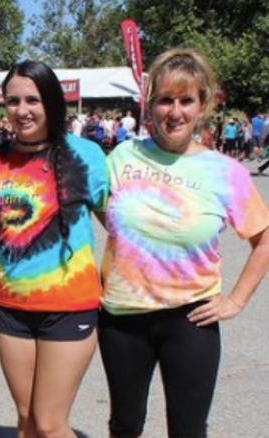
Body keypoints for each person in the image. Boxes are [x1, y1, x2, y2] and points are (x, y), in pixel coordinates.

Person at [99, 48, 269, 438]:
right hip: (122, 318)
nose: (174, 112)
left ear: (203, 105)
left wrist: (236, 300)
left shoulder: (225, 172)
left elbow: (263, 239)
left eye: (186, 100)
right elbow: (97, 207)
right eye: (165, 100)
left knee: (188, 430)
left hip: (191, 320)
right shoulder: (123, 155)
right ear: (150, 105)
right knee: (124, 426)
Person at [0, 60, 107, 438]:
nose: (21, 110)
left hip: (70, 306)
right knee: (26, 418)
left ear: (52, 102)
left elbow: (119, 229)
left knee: (50, 423)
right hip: (11, 308)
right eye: (13, 101)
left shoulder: (85, 154)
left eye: (33, 99)